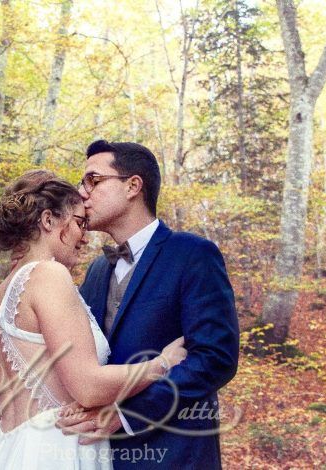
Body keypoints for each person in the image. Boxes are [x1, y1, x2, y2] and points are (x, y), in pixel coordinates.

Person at [0, 169, 187, 469]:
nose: (84, 237)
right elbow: (87, 386)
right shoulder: (48, 274)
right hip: (57, 450)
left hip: (6, 454)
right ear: (48, 220)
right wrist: (161, 364)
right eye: (79, 223)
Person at [56, 140, 239, 469]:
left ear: (133, 186)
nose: (83, 193)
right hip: (101, 456)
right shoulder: (97, 271)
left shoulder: (193, 254)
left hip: (175, 455)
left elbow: (215, 358)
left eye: (93, 181)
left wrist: (126, 416)